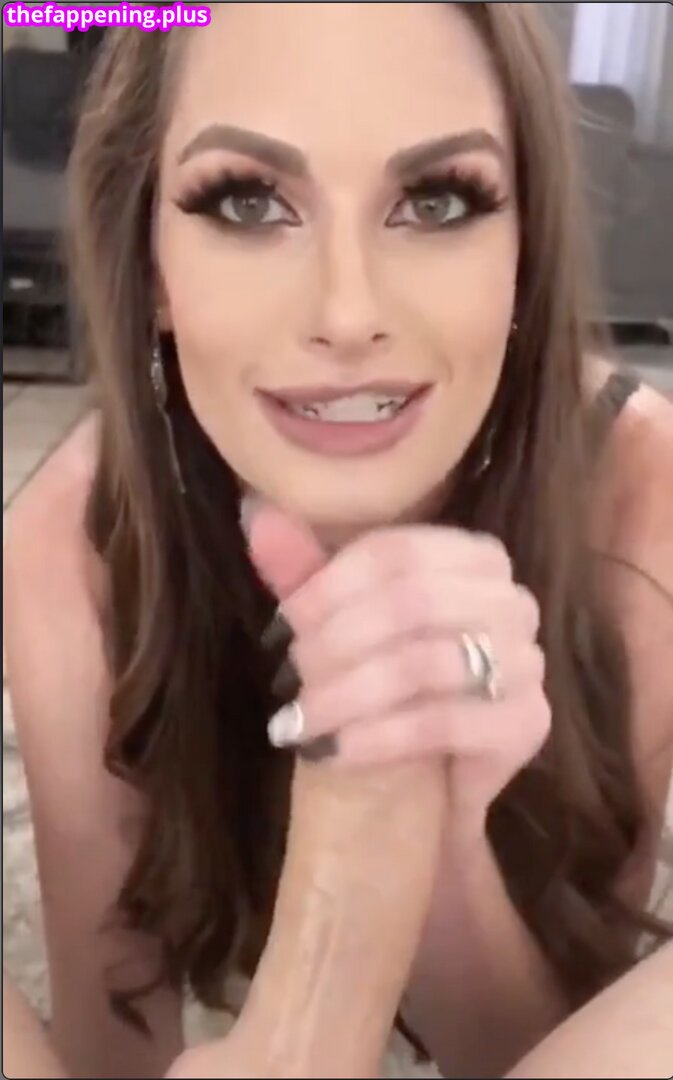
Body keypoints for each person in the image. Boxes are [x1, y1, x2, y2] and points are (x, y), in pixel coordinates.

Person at [3, 3, 672, 1078]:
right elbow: (114, 1044)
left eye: (436, 200)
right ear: (152, 268)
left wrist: (428, 830)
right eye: (248, 201)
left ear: (523, 255)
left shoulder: (638, 498)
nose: (349, 312)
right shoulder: (70, 546)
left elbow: (551, 1053)